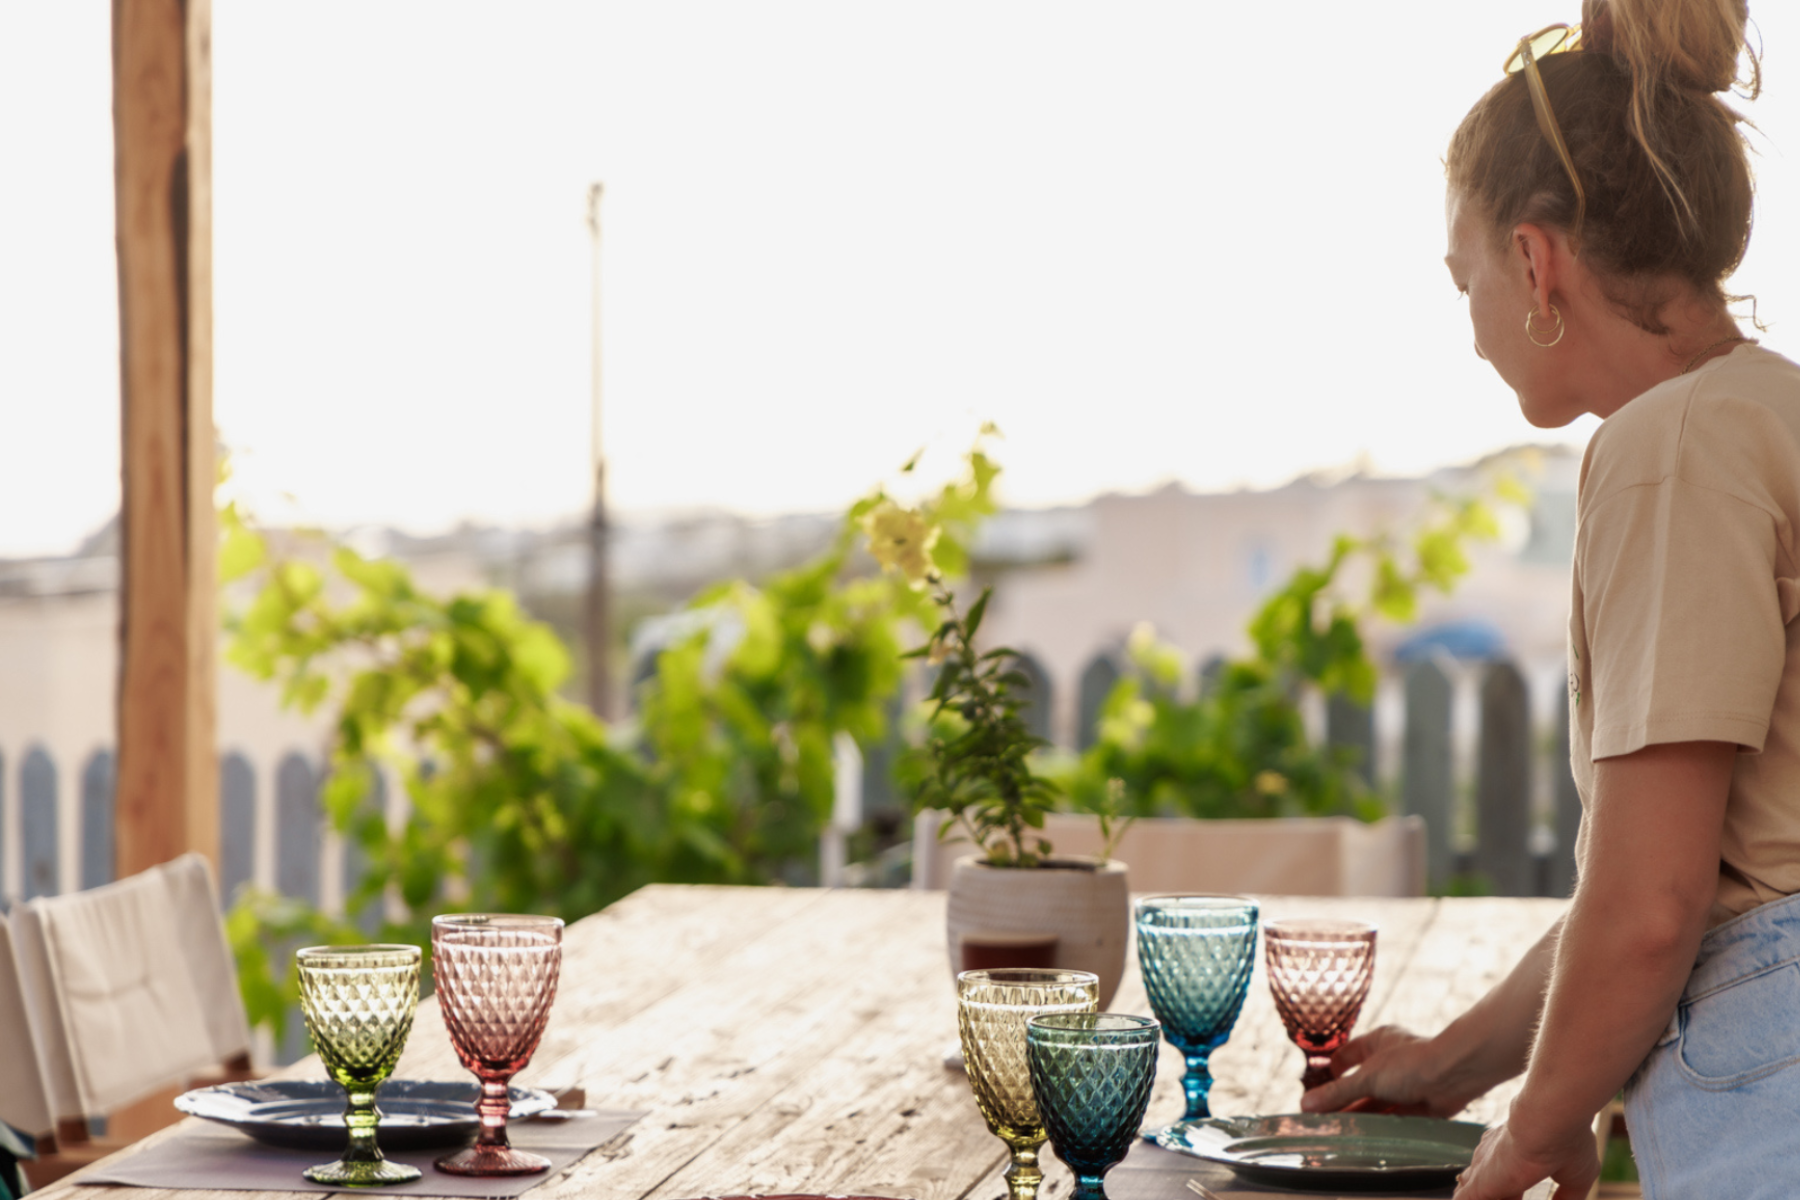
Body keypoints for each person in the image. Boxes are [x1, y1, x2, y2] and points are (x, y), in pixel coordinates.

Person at [1299, 1, 1800, 1197]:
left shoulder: (1668, 450)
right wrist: (1455, 1067)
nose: (1472, 327)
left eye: (1463, 275)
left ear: (1535, 262)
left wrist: (1534, 1131)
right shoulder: (1765, 411)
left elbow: (1653, 909)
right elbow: (1683, 875)